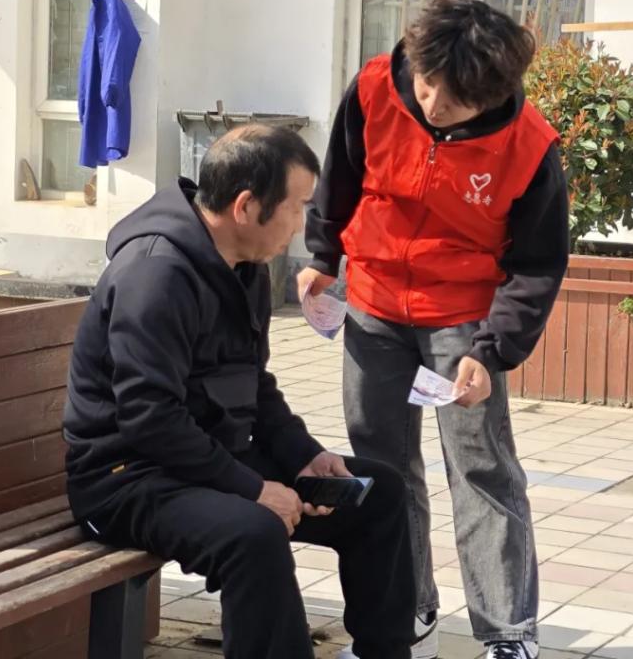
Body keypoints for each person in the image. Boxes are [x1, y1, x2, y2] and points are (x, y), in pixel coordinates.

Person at [63, 124, 416, 659]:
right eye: (297, 208)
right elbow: (149, 418)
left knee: (378, 491)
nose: (301, 226)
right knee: (254, 533)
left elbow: (255, 384)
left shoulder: (244, 265)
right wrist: (253, 489)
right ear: (246, 207)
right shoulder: (155, 274)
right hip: (124, 478)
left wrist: (303, 456)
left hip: (205, 459)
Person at [298, 0, 569, 659]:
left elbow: (537, 263)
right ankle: (408, 613)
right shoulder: (373, 88)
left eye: (456, 99)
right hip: (372, 302)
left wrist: (492, 351)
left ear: (493, 93)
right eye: (426, 85)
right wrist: (323, 257)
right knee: (382, 465)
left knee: (481, 469)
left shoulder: (529, 145)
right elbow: (341, 179)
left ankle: (507, 633)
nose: (434, 106)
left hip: (464, 319)